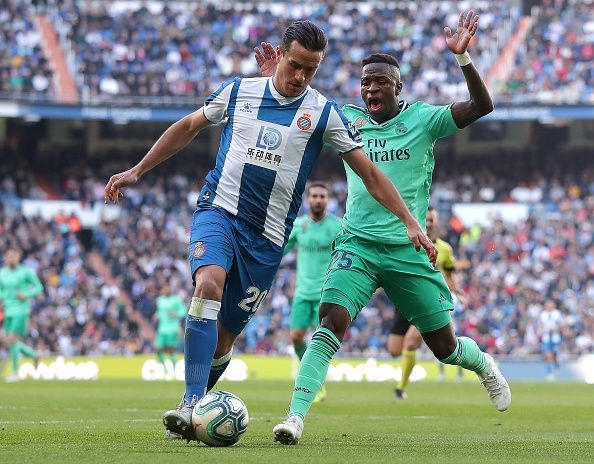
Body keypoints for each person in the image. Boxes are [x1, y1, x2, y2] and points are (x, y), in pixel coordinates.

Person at [104, 20, 435, 442]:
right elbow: (188, 127)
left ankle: (197, 406)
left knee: (225, 339)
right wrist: (136, 170)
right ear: (281, 55)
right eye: (295, 65)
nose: (301, 77)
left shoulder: (322, 113)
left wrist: (409, 220)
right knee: (207, 284)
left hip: (267, 240)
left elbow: (370, 173)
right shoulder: (240, 92)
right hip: (219, 211)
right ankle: (189, 403)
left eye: (311, 70)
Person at [256, 11, 512, 445]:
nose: (371, 88)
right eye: (365, 82)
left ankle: (484, 364)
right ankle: (295, 418)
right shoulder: (346, 119)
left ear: (398, 87)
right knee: (330, 320)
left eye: (380, 82)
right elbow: (295, 102)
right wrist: (274, 83)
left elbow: (482, 107)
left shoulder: (425, 120)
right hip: (357, 244)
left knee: (445, 348)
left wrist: (464, 58)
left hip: (408, 249)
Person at [388, 207, 466, 399]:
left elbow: (449, 275)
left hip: (430, 301)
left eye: (432, 220)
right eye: (426, 219)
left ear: (437, 222)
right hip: (405, 299)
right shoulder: (408, 242)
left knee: (410, 342)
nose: (429, 223)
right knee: (394, 350)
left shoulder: (445, 249)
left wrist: (457, 291)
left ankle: (401, 388)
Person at [283, 181, 342, 402]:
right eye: (314, 196)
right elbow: (281, 251)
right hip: (302, 293)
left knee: (320, 341)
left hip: (325, 294)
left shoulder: (337, 226)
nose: (318, 200)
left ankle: (315, 385)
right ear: (308, 199)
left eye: (322, 196)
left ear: (328, 200)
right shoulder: (299, 226)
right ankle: (314, 379)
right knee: (296, 337)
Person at [0, 248, 43, 382]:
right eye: (9, 256)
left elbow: (39, 287)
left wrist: (26, 294)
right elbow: (1, 291)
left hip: (21, 310)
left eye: (14, 255)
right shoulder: (2, 273)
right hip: (8, 310)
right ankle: (34, 355)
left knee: (11, 339)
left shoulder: (26, 272)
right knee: (10, 342)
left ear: (18, 257)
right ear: (5, 258)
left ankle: (15, 372)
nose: (11, 258)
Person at [154, 283, 187, 380]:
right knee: (158, 349)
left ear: (170, 289)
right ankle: (165, 368)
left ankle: (172, 372)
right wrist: (156, 315)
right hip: (162, 329)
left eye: (167, 288)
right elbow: (160, 312)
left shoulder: (176, 300)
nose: (165, 290)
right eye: (163, 288)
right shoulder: (159, 300)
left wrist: (175, 313)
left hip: (173, 329)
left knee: (171, 350)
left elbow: (183, 312)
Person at [539, 299, 563, 381]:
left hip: (555, 338)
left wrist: (556, 329)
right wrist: (543, 330)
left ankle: (557, 367)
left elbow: (562, 326)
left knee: (555, 356)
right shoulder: (543, 314)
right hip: (546, 338)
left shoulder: (557, 314)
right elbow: (541, 326)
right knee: (548, 355)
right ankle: (550, 373)